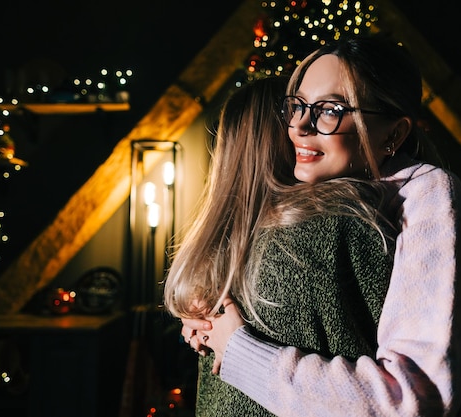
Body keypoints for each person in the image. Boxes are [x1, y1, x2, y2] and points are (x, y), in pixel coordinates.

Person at [181, 33, 461, 416]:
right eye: (297, 106)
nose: (300, 126)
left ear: (394, 134)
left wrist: (242, 351)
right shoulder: (326, 195)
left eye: (330, 110)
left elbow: (411, 399)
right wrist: (206, 310)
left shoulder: (428, 194)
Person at [163, 74, 401, 417]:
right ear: (284, 134)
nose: (307, 124)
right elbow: (423, 367)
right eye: (297, 110)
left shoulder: (213, 254)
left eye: (325, 112)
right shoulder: (346, 222)